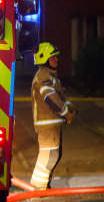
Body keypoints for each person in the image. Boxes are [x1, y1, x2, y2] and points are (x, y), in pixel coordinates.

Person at [29, 42, 75, 190]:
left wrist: (71, 108)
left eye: (56, 57)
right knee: (49, 157)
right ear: (44, 59)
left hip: (53, 124)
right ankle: (38, 188)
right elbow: (51, 98)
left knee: (55, 155)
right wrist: (66, 113)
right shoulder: (43, 76)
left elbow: (60, 96)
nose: (56, 60)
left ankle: (43, 186)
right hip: (47, 125)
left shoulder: (50, 76)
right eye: (53, 57)